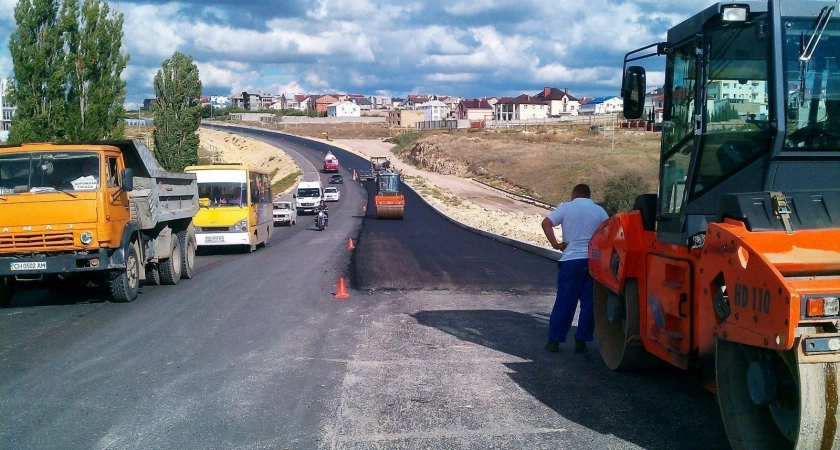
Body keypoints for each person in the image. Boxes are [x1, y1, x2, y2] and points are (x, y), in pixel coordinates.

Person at [541, 184, 608, 354]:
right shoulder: (600, 211)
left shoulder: (566, 207)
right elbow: (608, 233)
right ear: (588, 195)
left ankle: (554, 342)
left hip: (571, 261)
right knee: (589, 303)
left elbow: (546, 223)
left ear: (575, 193)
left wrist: (556, 244)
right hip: (593, 262)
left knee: (565, 301)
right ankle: (581, 341)